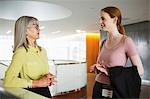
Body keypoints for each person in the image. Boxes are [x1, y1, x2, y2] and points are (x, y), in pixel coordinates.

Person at [90, 6, 144, 98]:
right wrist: (97, 67)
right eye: (100, 18)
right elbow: (103, 66)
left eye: (103, 18)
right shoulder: (103, 43)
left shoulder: (126, 41)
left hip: (114, 89)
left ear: (114, 20)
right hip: (98, 87)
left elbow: (140, 70)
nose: (100, 22)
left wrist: (109, 71)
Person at [4, 16, 55, 98]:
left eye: (38, 26)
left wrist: (47, 77)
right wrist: (37, 83)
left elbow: (42, 72)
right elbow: (8, 81)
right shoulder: (21, 51)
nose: (39, 29)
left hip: (46, 92)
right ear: (25, 30)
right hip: (31, 94)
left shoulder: (43, 50)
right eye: (35, 26)